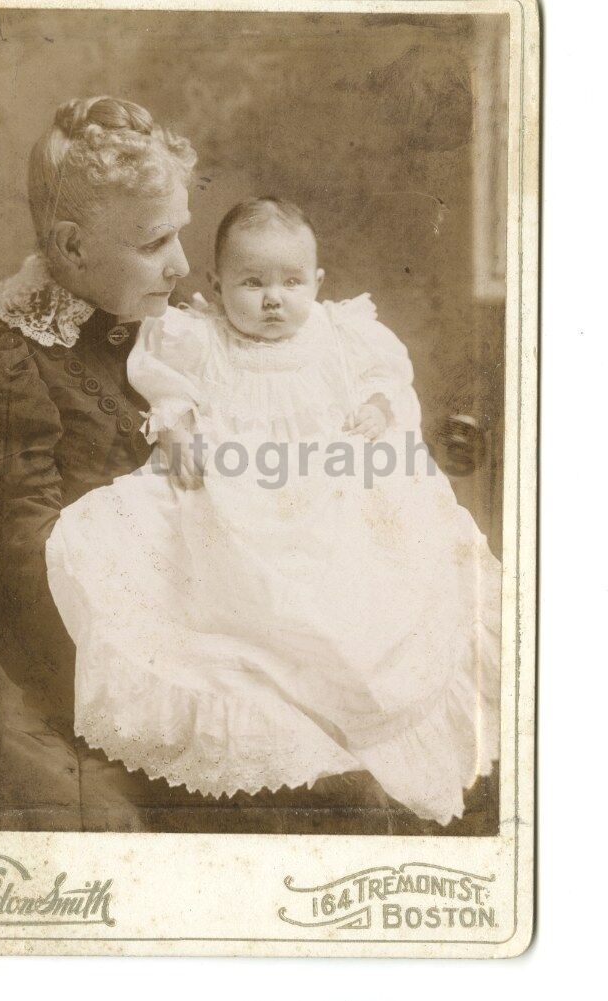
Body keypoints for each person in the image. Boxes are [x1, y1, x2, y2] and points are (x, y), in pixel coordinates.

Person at [46, 198, 502, 827]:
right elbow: (170, 397)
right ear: (216, 284)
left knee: (370, 585)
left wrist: (376, 407)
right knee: (145, 551)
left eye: (291, 283)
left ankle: (370, 717)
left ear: (316, 284)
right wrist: (176, 432)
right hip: (235, 507)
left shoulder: (343, 335)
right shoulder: (196, 338)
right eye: (251, 282)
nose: (272, 300)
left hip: (333, 496)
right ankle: (292, 727)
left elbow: (387, 383)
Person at [0, 94, 196, 831]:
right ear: (72, 248)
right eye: (154, 242)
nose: (182, 264)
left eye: (181, 236)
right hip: (52, 677)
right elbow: (20, 573)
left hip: (175, 642)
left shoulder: (154, 333)